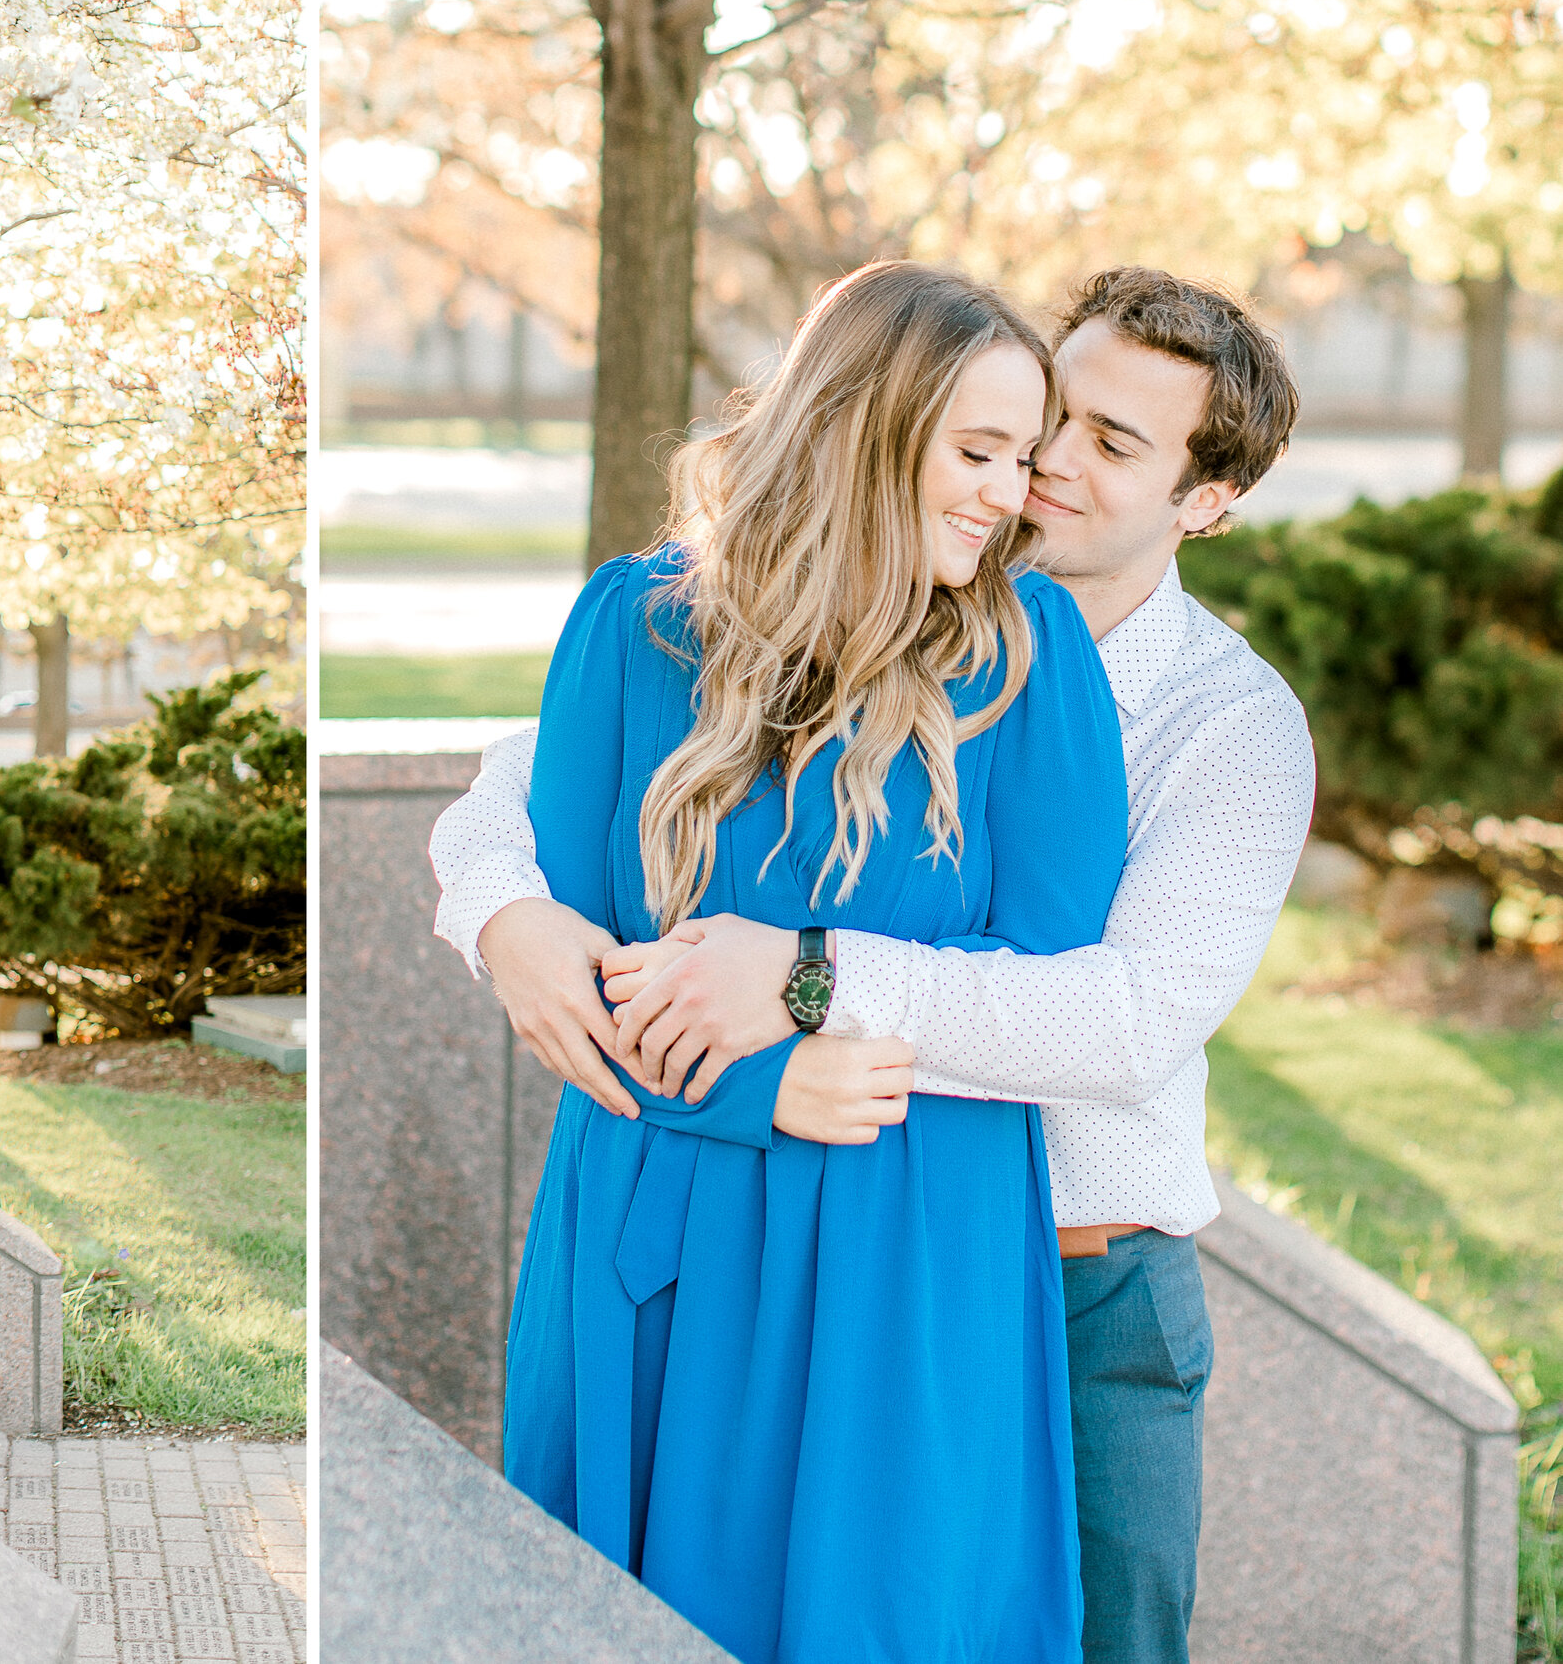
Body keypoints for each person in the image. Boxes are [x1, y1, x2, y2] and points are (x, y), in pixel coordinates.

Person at [433, 266, 1313, 1664]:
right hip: (680, 1220)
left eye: (1103, 446)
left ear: (1203, 500)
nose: (1041, 475)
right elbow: (540, 827)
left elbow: (1116, 1015)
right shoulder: (659, 614)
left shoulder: (1187, 715)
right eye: (1028, 430)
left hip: (1030, 1269)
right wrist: (496, 909)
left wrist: (804, 978)